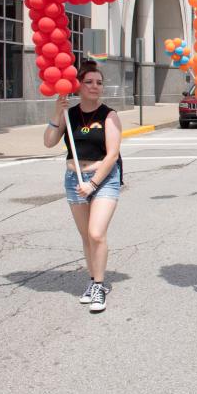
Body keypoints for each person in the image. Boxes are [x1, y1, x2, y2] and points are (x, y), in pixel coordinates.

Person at [43, 61, 122, 313]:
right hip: (73, 178)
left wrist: (93, 183)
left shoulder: (109, 115)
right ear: (78, 85)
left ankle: (99, 286)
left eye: (99, 82)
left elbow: (112, 155)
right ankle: (92, 280)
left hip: (102, 179)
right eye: (89, 82)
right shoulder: (70, 114)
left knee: (97, 233)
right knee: (86, 236)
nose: (95, 86)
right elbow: (49, 142)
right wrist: (57, 113)